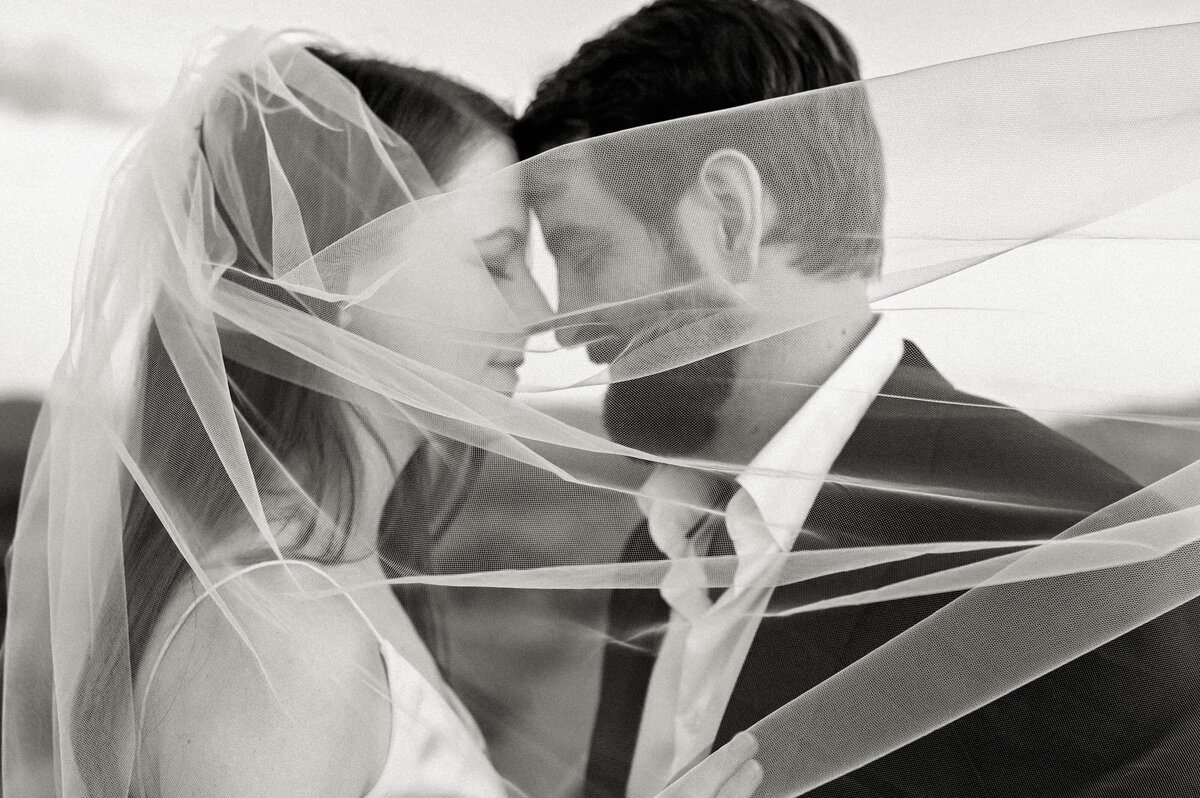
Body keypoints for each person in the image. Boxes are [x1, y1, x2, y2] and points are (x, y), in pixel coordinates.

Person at [1, 30, 770, 798]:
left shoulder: (324, 580)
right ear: (339, 276)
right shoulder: (283, 646)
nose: (539, 311)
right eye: (496, 259)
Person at [514, 1, 1200, 795]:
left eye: (587, 251)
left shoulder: (1074, 565)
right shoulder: (658, 546)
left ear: (730, 217)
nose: (561, 323)